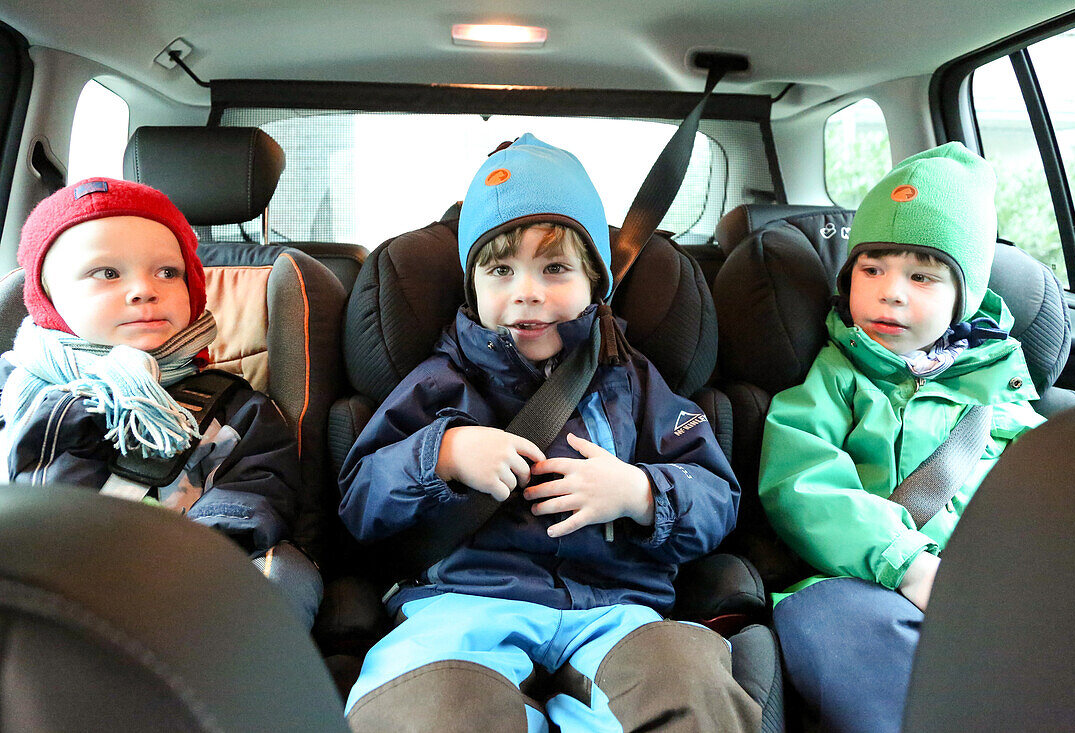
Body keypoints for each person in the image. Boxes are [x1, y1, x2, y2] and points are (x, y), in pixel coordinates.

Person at [338, 134, 758, 731]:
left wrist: (641, 494)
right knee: (428, 707)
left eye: (555, 268)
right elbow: (359, 500)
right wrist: (444, 454)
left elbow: (716, 494)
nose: (526, 291)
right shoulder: (438, 382)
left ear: (596, 283)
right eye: (500, 270)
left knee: (685, 681)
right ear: (473, 287)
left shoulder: (634, 380)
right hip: (462, 607)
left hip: (617, 611)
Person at [758, 142, 1046, 732]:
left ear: (964, 297)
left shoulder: (1002, 393)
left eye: (923, 276)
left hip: (986, 585)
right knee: (827, 621)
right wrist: (908, 566)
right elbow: (802, 483)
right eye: (872, 269)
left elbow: (1050, 488)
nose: (892, 292)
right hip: (863, 578)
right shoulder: (835, 378)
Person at [0, 177, 322, 628]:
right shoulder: (13, 390)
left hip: (182, 577)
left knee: (283, 573)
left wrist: (174, 559)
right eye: (108, 273)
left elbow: (255, 494)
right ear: (48, 296)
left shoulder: (235, 408)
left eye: (167, 272)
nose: (144, 290)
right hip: (40, 579)